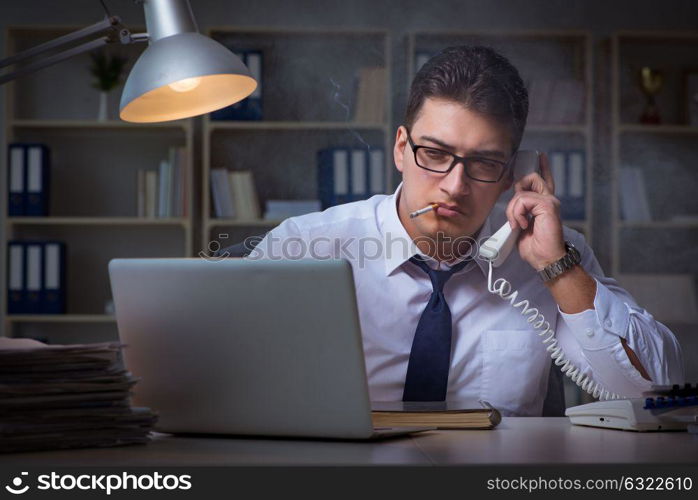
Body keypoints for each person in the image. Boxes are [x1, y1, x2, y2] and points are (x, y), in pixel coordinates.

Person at [245, 45, 684, 416]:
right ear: (401, 148)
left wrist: (557, 269)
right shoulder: (301, 245)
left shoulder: (556, 255)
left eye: (485, 163)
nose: (455, 186)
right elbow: (217, 374)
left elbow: (655, 394)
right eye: (434, 154)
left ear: (514, 171)